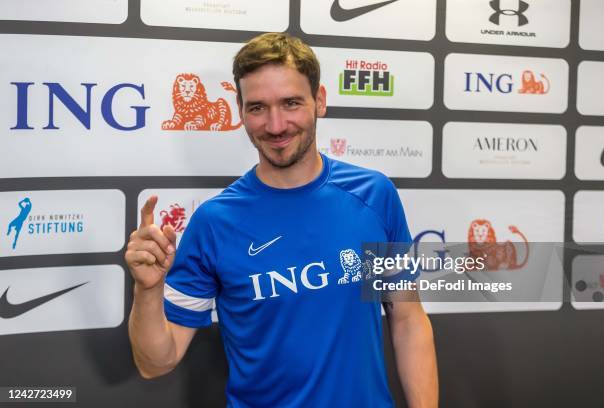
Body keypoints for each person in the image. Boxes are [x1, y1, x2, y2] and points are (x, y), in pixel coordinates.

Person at [126, 32, 438, 408]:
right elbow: (156, 363)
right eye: (258, 107)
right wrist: (147, 291)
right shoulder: (213, 222)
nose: (275, 126)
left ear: (319, 101)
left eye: (290, 103)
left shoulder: (374, 195)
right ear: (240, 111)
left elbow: (406, 318)